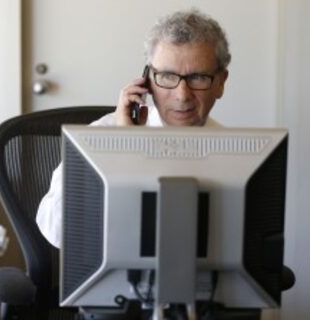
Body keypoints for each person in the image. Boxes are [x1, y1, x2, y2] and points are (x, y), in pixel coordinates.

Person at [36, 8, 231, 248]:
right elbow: (55, 230)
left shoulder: (235, 152)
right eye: (168, 76)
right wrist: (122, 151)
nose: (182, 95)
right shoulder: (102, 135)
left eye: (198, 77)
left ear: (220, 83)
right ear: (147, 80)